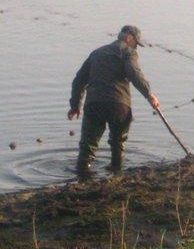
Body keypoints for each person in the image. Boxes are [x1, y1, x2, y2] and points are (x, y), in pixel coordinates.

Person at [68, 25, 160, 178]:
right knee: (118, 144)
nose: (136, 47)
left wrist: (75, 106)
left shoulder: (96, 53)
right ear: (129, 38)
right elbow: (134, 73)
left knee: (87, 147)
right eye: (136, 43)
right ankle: (116, 174)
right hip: (119, 105)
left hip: (94, 105)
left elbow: (78, 81)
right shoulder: (128, 53)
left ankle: (82, 178)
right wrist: (149, 94)